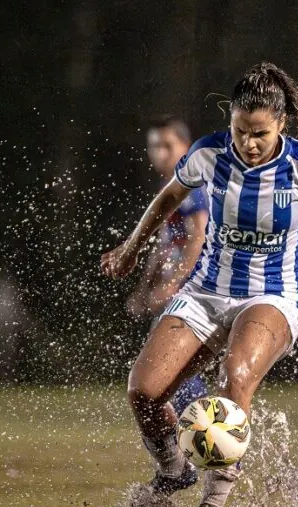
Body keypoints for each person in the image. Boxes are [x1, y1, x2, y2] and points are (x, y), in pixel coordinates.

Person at [101, 62, 298, 507]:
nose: (249, 143)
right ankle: (174, 471)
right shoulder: (208, 154)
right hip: (206, 292)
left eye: (260, 133)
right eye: (241, 131)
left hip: (274, 295)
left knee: (236, 374)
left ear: (281, 124)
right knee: (144, 391)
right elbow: (167, 200)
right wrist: (131, 249)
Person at [127, 116, 209, 415]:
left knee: (167, 368)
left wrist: (173, 283)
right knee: (174, 370)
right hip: (180, 285)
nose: (159, 153)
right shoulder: (171, 184)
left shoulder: (189, 181)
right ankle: (200, 436)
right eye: (153, 146)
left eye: (167, 145)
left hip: (191, 287)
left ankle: (201, 436)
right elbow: (164, 247)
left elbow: (198, 235)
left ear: (185, 147)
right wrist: (144, 287)